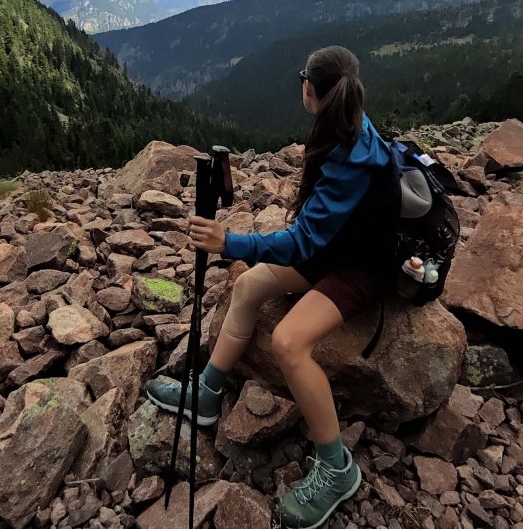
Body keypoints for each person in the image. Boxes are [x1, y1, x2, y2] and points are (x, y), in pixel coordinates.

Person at [145, 45, 399, 529]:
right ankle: (207, 392)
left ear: (312, 88)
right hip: (333, 250)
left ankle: (337, 468)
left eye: (303, 76)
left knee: (289, 342)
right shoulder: (343, 124)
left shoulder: (353, 157)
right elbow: (315, 235)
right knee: (247, 288)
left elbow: (304, 237)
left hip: (361, 268)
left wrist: (229, 242)